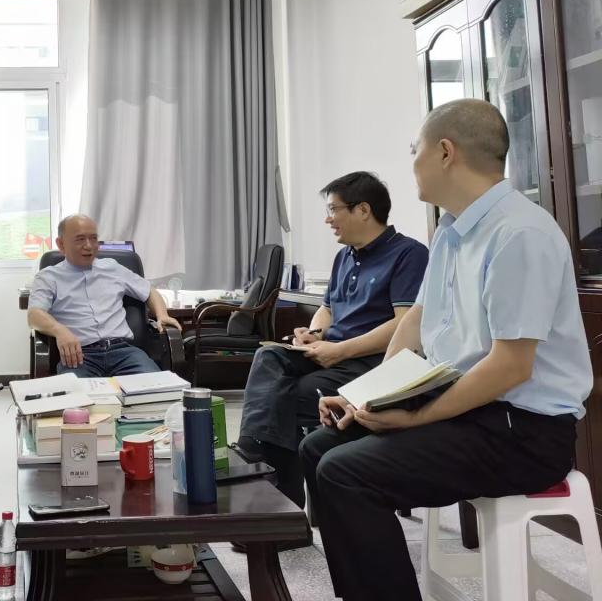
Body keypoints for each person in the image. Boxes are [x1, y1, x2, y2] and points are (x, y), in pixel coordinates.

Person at [301, 99, 591, 601]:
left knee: (346, 473)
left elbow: (510, 367)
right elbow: (416, 319)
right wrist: (368, 397)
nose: (411, 160)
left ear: (444, 152)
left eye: (414, 149)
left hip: (522, 431)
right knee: (319, 448)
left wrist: (413, 418)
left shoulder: (519, 234)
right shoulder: (452, 231)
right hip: (472, 410)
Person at [234, 172, 428, 509]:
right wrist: (315, 333)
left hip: (371, 363)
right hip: (331, 355)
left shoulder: (408, 254)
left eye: (333, 210)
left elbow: (404, 325)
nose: (328, 219)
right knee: (268, 357)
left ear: (363, 210)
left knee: (281, 399)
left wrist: (339, 350)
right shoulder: (344, 256)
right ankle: (255, 454)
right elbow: (326, 309)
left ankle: (280, 497)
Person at [27, 214, 182, 378]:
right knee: (77, 394)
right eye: (80, 239)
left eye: (94, 238)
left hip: (123, 352)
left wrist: (162, 315)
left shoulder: (112, 268)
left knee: (157, 385)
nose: (89, 246)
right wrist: (60, 331)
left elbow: (149, 291)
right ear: (61, 244)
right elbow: (34, 315)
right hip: (79, 356)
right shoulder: (48, 277)